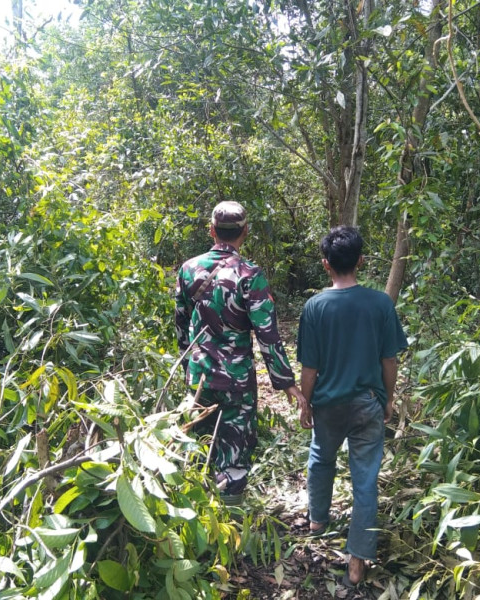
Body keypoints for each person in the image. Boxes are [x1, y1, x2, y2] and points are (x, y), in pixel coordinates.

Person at [296, 226, 408, 586]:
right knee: (365, 480)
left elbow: (309, 367)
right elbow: (389, 360)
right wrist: (388, 398)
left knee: (321, 456)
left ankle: (317, 521)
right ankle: (357, 561)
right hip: (367, 403)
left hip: (328, 404)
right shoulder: (380, 304)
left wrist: (305, 403)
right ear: (360, 260)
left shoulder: (315, 307)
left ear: (325, 264)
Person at [175, 201, 305, 501]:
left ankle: (201, 524)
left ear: (211, 231)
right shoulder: (250, 274)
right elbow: (267, 334)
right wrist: (286, 383)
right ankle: (231, 521)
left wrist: (188, 365)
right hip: (236, 381)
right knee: (233, 458)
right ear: (245, 232)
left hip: (199, 376)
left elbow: (180, 322)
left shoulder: (188, 269)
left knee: (199, 449)